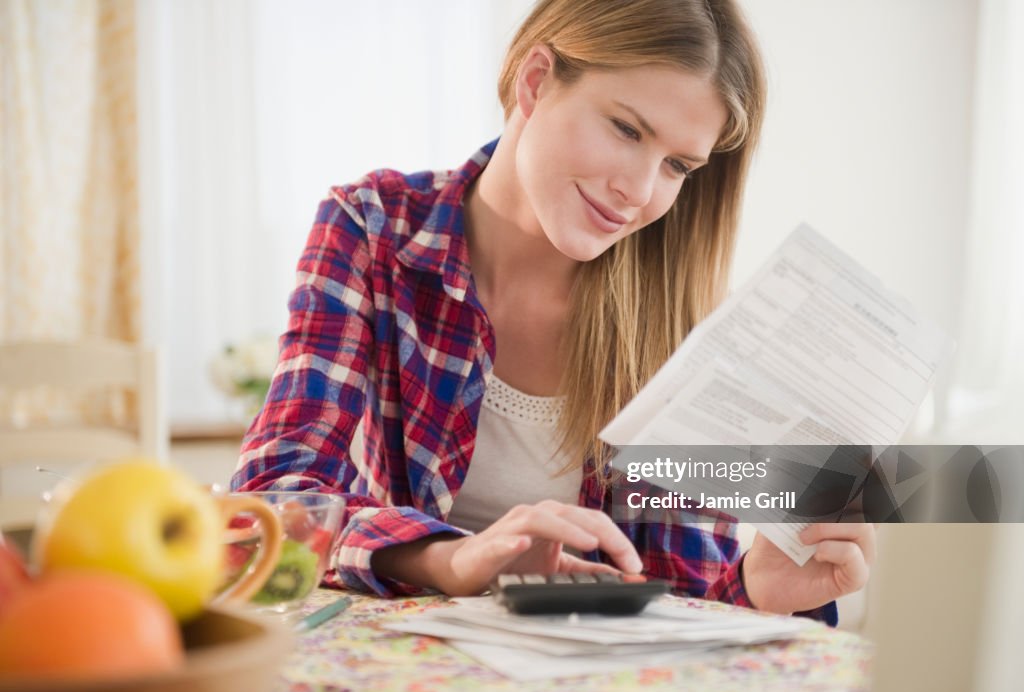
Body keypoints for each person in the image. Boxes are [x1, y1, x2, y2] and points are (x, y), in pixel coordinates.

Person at [231, 0, 874, 625]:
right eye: (627, 129)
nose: (640, 191)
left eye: (677, 165)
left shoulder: (684, 319)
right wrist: (456, 560)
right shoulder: (374, 230)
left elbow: (675, 601)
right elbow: (278, 500)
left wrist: (755, 591)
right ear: (535, 81)